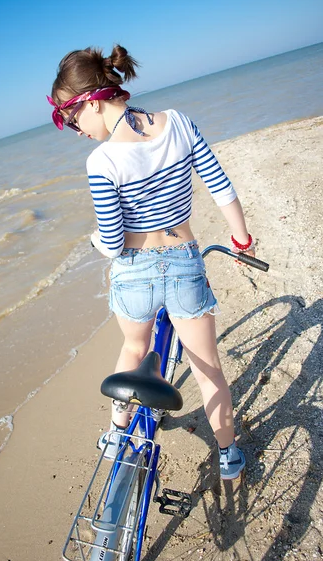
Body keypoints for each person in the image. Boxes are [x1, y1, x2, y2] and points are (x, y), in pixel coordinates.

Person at [48, 44, 255, 481]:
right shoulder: (177, 122)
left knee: (133, 348)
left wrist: (93, 242)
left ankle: (115, 433)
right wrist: (241, 238)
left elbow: (112, 238)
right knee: (207, 368)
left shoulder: (101, 161)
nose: (77, 131)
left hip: (135, 272)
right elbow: (220, 185)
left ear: (93, 101)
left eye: (72, 119)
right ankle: (229, 454)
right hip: (183, 262)